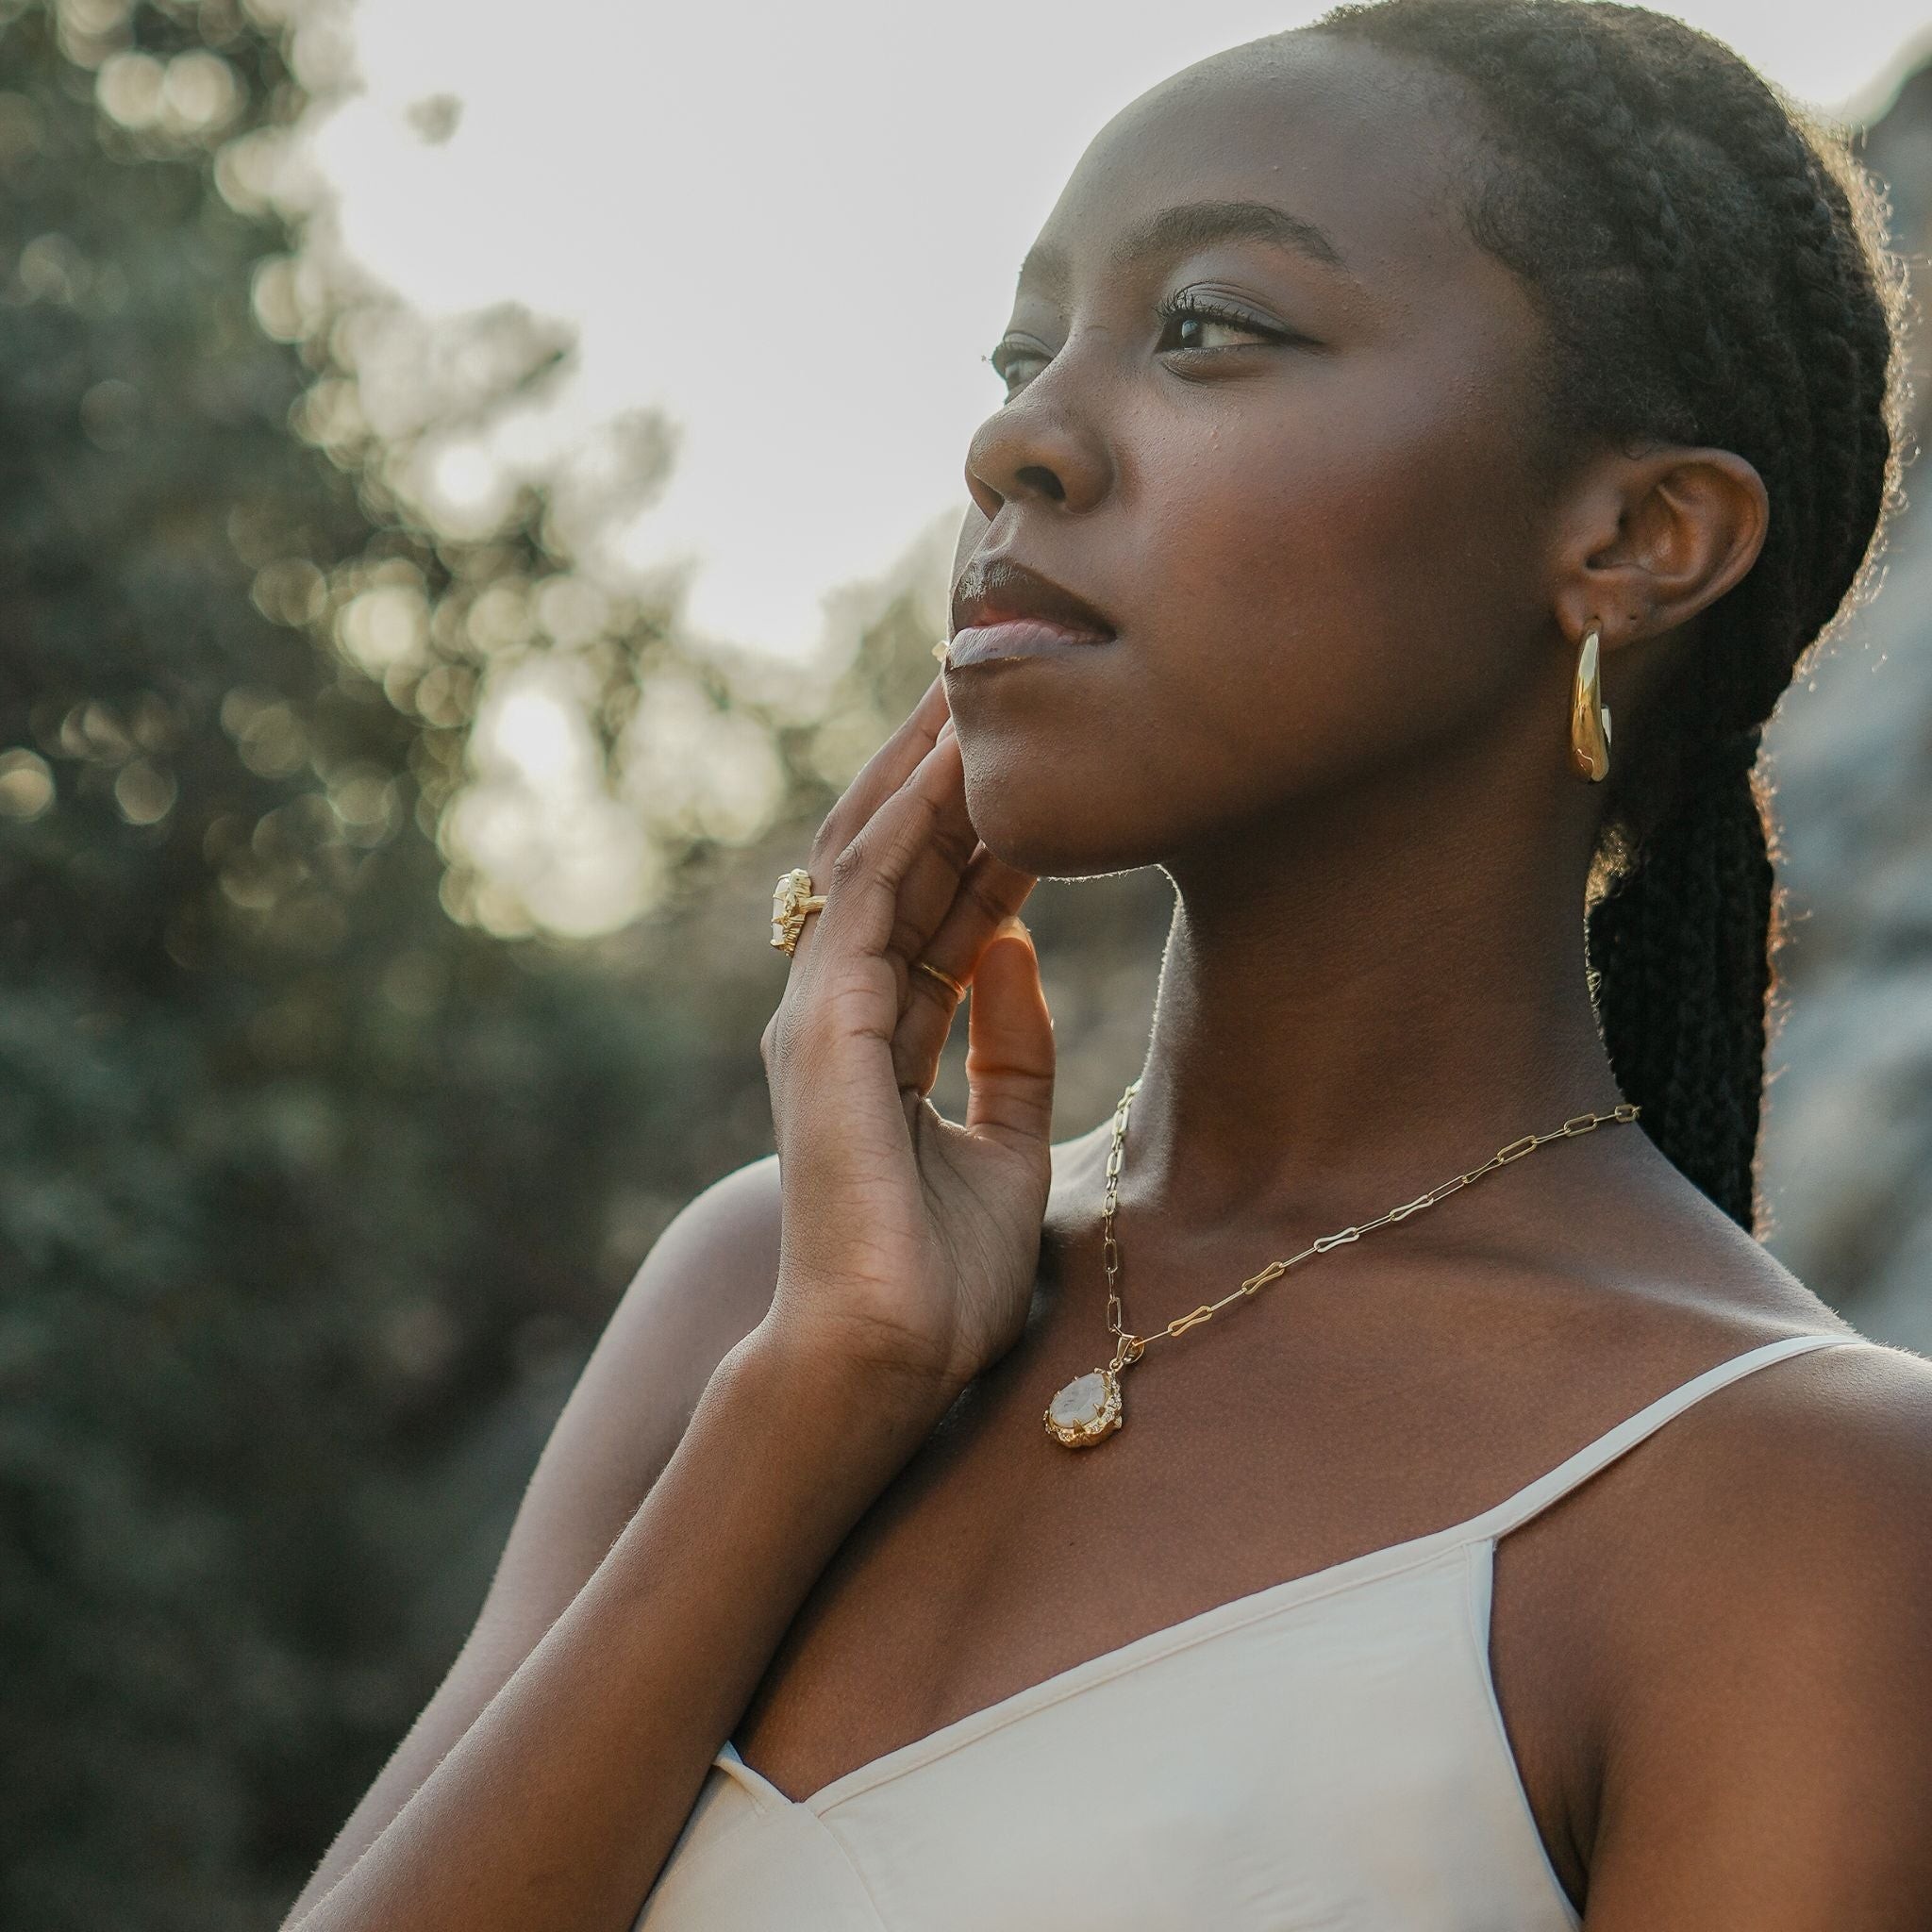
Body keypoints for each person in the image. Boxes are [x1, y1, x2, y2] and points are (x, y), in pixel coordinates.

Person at [281, 4, 1932, 1927]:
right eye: (1017, 350)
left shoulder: (1811, 1511)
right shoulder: (767, 1292)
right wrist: (818, 1401)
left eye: (1210, 328)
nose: (1015, 439)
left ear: (1637, 538)